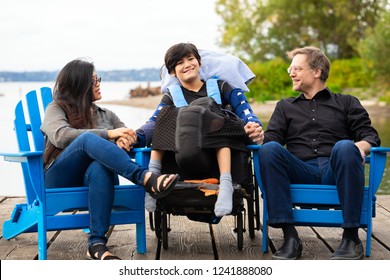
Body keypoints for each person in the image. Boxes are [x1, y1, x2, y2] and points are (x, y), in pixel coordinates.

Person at [40, 58, 179, 260]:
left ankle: (96, 244)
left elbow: (127, 136)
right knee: (87, 138)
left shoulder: (108, 115)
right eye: (94, 80)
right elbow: (61, 136)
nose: (98, 84)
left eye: (98, 79)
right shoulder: (57, 108)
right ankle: (145, 178)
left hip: (95, 179)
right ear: (80, 84)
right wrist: (109, 135)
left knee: (99, 167)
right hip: (58, 178)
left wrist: (125, 141)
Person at [258, 46, 381, 260]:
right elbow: (272, 142)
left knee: (344, 146)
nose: (291, 73)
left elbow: (370, 136)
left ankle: (351, 238)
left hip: (336, 170)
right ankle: (290, 238)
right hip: (301, 170)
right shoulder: (285, 106)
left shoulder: (347, 102)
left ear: (316, 72)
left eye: (296, 68)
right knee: (268, 149)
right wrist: (258, 137)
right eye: (290, 69)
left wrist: (358, 147)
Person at [137, 43, 264, 217]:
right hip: (182, 156)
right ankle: (153, 178)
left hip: (218, 154)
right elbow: (152, 123)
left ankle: (226, 185)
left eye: (191, 59)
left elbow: (246, 112)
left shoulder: (221, 87)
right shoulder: (172, 95)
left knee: (214, 113)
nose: (187, 64)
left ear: (199, 62)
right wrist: (135, 137)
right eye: (180, 63)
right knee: (164, 115)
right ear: (173, 72)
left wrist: (253, 125)